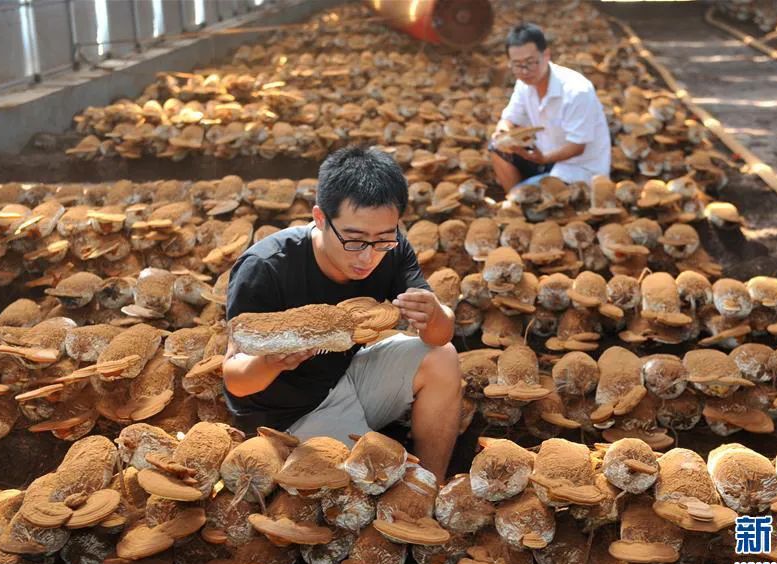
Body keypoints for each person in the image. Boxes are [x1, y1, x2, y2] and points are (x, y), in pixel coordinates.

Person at [222, 147, 461, 482]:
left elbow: (439, 335)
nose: (368, 257)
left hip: (343, 377)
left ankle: (430, 487)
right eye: (354, 240)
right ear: (320, 219)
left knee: (442, 357)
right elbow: (235, 380)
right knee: (376, 482)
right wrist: (270, 363)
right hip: (286, 413)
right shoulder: (265, 268)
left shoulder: (391, 248)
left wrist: (437, 314)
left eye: (382, 239)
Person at [490, 22, 611, 192]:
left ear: (546, 55)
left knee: (532, 200)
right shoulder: (524, 84)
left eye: (530, 63)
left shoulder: (576, 90)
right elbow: (510, 118)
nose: (524, 71)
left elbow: (577, 147)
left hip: (577, 168)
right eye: (517, 65)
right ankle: (518, 202)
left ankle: (525, 199)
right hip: (543, 156)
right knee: (496, 148)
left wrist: (544, 158)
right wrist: (502, 133)